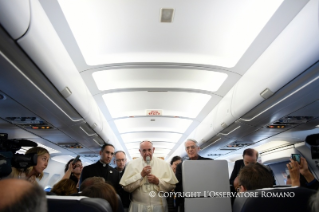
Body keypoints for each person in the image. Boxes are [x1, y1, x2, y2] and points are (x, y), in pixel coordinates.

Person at [120, 140, 178, 212]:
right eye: (144, 150)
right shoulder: (131, 164)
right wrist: (140, 175)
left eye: (149, 150)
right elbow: (126, 187)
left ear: (153, 150)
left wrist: (158, 181)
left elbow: (172, 186)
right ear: (140, 151)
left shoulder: (164, 164)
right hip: (138, 207)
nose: (147, 153)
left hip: (159, 207)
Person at [175, 139, 212, 212]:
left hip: (206, 200)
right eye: (187, 148)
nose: (190, 150)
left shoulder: (209, 162)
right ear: (186, 150)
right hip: (187, 201)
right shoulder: (181, 166)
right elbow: (178, 186)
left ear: (198, 149)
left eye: (192, 147)